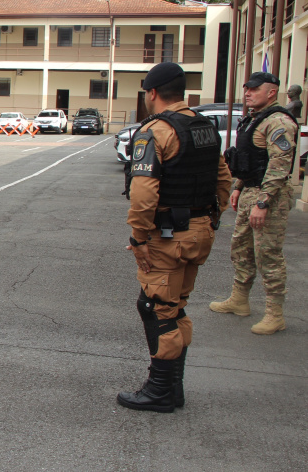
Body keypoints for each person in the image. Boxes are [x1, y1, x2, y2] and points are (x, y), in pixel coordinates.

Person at [117, 62, 231, 413]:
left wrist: (139, 238)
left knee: (156, 308)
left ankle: (161, 390)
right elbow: (223, 179)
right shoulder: (204, 127)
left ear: (152, 93)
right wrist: (210, 219)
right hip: (198, 231)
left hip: (168, 236)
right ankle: (173, 387)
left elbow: (144, 195)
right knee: (175, 307)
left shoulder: (156, 131)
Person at [210, 71, 299, 335]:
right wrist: (239, 186)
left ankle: (275, 313)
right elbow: (250, 159)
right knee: (241, 249)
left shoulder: (279, 122)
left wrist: (263, 202)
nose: (247, 93)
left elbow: (279, 166)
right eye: (246, 88)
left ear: (271, 92)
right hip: (250, 190)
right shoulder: (252, 120)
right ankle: (239, 300)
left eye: (254, 89)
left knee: (268, 255)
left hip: (269, 196)